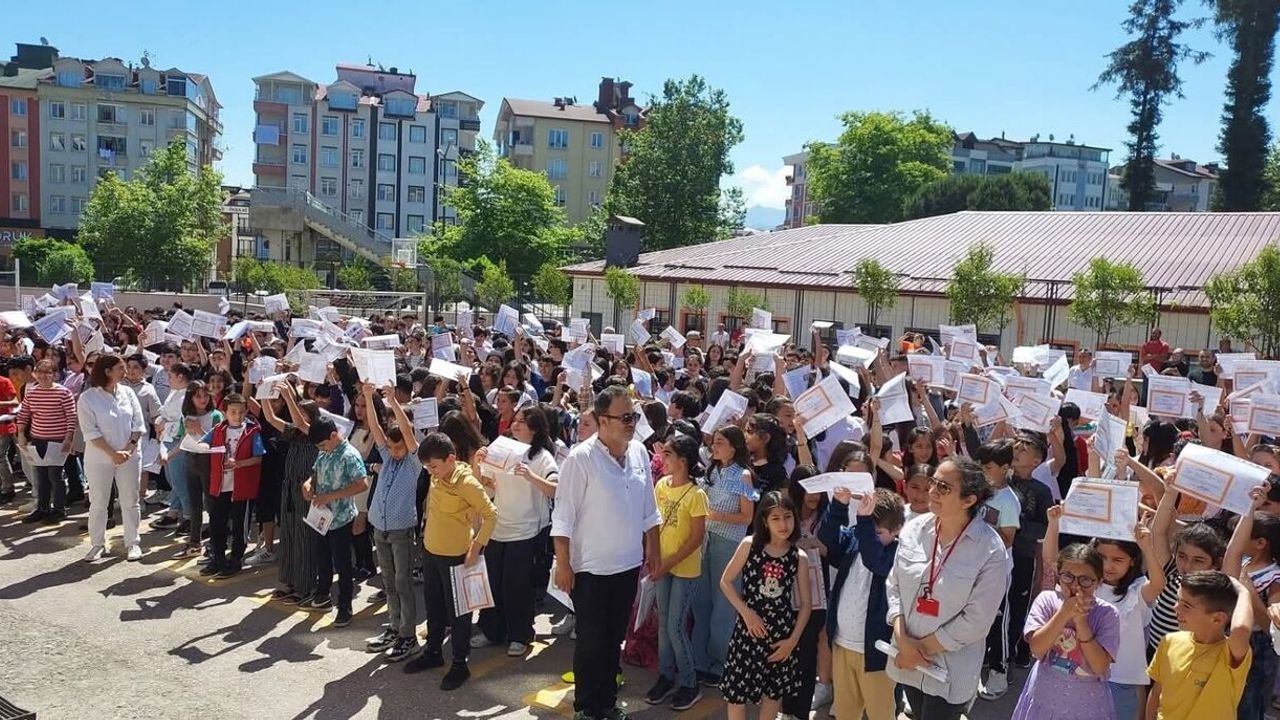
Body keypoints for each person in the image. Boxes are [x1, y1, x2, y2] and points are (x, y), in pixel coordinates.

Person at [551, 385, 662, 720]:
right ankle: (587, 708)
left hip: (627, 566)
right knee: (591, 641)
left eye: (634, 416)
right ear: (602, 421)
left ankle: (607, 704)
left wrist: (654, 550)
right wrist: (563, 564)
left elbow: (650, 509)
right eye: (624, 417)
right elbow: (563, 517)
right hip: (590, 570)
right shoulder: (580, 459)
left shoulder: (639, 453)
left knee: (613, 639)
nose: (631, 423)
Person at [886, 457, 1008, 719]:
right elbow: (894, 586)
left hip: (949, 671)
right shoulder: (913, 529)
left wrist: (917, 650)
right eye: (934, 482)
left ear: (968, 500)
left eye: (943, 487)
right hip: (908, 661)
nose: (932, 491)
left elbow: (976, 621)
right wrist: (904, 642)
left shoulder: (990, 550)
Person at [1044, 503, 1166, 720]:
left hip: (1121, 680)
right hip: (1083, 673)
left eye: (1118, 560)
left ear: (1132, 561)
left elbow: (1158, 584)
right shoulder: (1085, 584)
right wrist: (1053, 524)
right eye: (1101, 558)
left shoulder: (1137, 590)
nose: (1108, 566)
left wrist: (1147, 547)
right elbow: (1053, 562)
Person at [404, 432, 497, 691]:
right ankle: (433, 652)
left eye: (433, 466)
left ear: (451, 459)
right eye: (427, 466)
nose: (430, 471)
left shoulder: (466, 483)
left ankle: (459, 663)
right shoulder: (437, 475)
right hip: (432, 552)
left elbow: (491, 515)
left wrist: (476, 547)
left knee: (459, 614)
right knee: (433, 607)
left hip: (457, 557)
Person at [472, 405, 560, 657]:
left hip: (525, 531)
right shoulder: (503, 448)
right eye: (516, 420)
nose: (516, 424)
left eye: (523, 421)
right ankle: (491, 631)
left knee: (517, 586)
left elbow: (555, 489)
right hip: (497, 528)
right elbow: (485, 485)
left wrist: (531, 476)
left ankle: (519, 635)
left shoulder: (541, 456)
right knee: (493, 583)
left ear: (535, 428)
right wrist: (478, 463)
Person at [718, 491, 811, 720]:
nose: (783, 524)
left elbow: (806, 604)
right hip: (748, 631)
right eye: (776, 518)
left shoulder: (798, 557)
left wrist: (792, 641)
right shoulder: (749, 545)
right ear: (765, 521)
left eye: (788, 517)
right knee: (736, 694)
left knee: (772, 695)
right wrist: (746, 613)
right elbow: (725, 581)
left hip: (781, 636)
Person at [818, 486, 905, 720]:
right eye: (868, 529)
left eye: (878, 532)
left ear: (896, 530)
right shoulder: (857, 537)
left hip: (876, 655)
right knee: (845, 713)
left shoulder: (897, 554)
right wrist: (839, 505)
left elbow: (874, 560)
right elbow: (827, 537)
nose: (870, 536)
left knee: (880, 714)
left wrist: (865, 523)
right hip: (842, 645)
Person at [1009, 543, 1121, 720]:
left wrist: (1081, 622)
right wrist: (1064, 613)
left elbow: (1100, 666)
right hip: (1043, 699)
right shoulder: (1047, 601)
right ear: (1058, 576)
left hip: (1087, 708)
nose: (1075, 586)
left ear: (1099, 582)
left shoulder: (1107, 614)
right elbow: (1037, 649)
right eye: (1068, 577)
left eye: (1085, 580)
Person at [644, 433, 709, 712]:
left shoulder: (697, 494)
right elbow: (653, 524)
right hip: (662, 566)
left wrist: (667, 563)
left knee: (675, 626)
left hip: (684, 570)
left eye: (668, 454)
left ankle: (689, 683)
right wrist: (652, 554)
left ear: (683, 461)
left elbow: (696, 539)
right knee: (663, 624)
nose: (662, 458)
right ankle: (666, 676)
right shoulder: (661, 485)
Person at [360, 383, 424, 662]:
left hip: (400, 530)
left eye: (399, 448)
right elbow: (376, 428)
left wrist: (394, 403)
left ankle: (408, 635)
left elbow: (408, 433)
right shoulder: (386, 456)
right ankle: (395, 627)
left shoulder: (413, 462)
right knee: (388, 581)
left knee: (402, 582)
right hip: (380, 528)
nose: (395, 451)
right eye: (391, 446)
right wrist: (368, 396)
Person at [692, 425, 758, 687]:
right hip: (705, 540)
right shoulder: (711, 470)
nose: (714, 446)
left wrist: (718, 516)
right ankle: (699, 659)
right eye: (714, 442)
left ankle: (721, 662)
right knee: (701, 600)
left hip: (728, 543)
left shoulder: (743, 475)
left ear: (734, 446)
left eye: (720, 442)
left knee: (724, 603)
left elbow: (747, 516)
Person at [1146, 570, 1253, 720]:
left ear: (1217, 618)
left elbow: (1240, 629)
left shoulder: (1230, 654)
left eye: (1186, 606)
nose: (1176, 608)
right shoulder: (1169, 641)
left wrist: (1243, 591)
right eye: (1178, 600)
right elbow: (1156, 693)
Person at [301, 416, 370, 627]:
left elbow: (362, 484)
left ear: (333, 436)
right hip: (320, 516)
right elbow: (316, 472)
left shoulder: (350, 455)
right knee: (322, 557)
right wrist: (308, 484)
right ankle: (323, 594)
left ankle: (345, 605)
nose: (322, 449)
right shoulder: (324, 451)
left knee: (342, 563)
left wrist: (331, 496)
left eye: (323, 444)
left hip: (340, 518)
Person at [77, 355, 145, 562]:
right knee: (98, 501)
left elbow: (138, 424)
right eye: (120, 368)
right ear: (107, 371)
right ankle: (97, 544)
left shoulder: (128, 393)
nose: (125, 372)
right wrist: (113, 453)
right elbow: (90, 432)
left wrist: (128, 449)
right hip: (99, 458)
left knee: (130, 500)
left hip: (129, 457)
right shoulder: (88, 398)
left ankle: (132, 543)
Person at [1220, 491, 1280, 720]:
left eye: (1244, 533)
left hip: (1259, 649)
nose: (1236, 537)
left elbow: (1270, 626)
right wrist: (1250, 507)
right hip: (1231, 637)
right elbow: (1232, 551)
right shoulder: (1243, 562)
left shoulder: (1275, 577)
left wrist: (1250, 594)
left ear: (1261, 543)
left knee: (1248, 706)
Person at [200, 393, 264, 579]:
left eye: (241, 412)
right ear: (225, 412)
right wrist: (203, 447)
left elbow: (258, 457)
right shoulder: (218, 429)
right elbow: (203, 442)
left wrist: (240, 463)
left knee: (239, 526)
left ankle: (236, 559)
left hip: (242, 487)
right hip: (220, 485)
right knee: (217, 523)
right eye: (233, 412)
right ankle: (217, 558)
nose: (237, 416)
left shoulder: (252, 431)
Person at [15, 359, 76, 524]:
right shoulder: (32, 392)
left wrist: (68, 438)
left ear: (55, 374)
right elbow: (23, 414)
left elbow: (71, 417)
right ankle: (42, 508)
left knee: (55, 476)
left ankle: (59, 509)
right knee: (40, 476)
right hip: (38, 439)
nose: (43, 376)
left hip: (57, 440)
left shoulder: (64, 393)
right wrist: (21, 433)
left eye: (48, 372)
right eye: (40, 372)